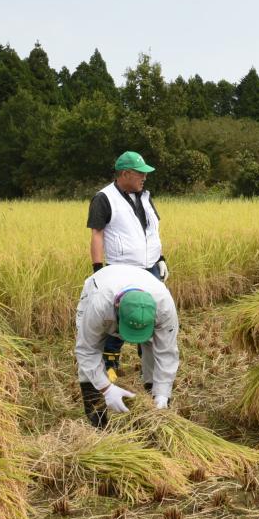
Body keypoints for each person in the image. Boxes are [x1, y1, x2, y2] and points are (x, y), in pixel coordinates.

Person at [87, 150, 168, 378]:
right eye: (140, 173)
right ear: (125, 174)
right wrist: (98, 271)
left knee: (150, 315)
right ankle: (110, 364)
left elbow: (153, 231)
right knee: (118, 315)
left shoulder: (145, 196)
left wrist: (161, 258)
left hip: (150, 267)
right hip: (122, 270)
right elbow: (97, 234)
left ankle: (149, 364)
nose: (145, 177)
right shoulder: (104, 198)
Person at [73, 263, 179, 428]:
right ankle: (97, 424)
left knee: (152, 349)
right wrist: (106, 389)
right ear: (117, 309)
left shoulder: (164, 307)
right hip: (99, 285)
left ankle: (155, 407)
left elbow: (167, 352)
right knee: (88, 361)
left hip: (141, 284)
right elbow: (87, 350)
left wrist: (163, 395)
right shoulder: (99, 305)